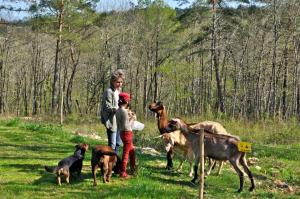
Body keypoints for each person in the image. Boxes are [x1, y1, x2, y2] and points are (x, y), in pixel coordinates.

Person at [100, 69, 125, 154]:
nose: (120, 84)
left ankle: (115, 164)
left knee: (118, 143)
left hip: (119, 120)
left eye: (121, 82)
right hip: (112, 120)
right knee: (112, 144)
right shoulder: (109, 91)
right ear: (113, 81)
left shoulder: (119, 91)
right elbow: (107, 107)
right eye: (118, 82)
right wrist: (117, 109)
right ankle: (108, 165)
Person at [115, 92, 137, 179]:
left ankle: (133, 168)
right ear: (127, 101)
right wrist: (133, 119)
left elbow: (122, 124)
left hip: (122, 133)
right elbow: (127, 125)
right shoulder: (124, 112)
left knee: (132, 151)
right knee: (126, 153)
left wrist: (130, 118)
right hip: (127, 133)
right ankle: (123, 172)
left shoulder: (118, 110)